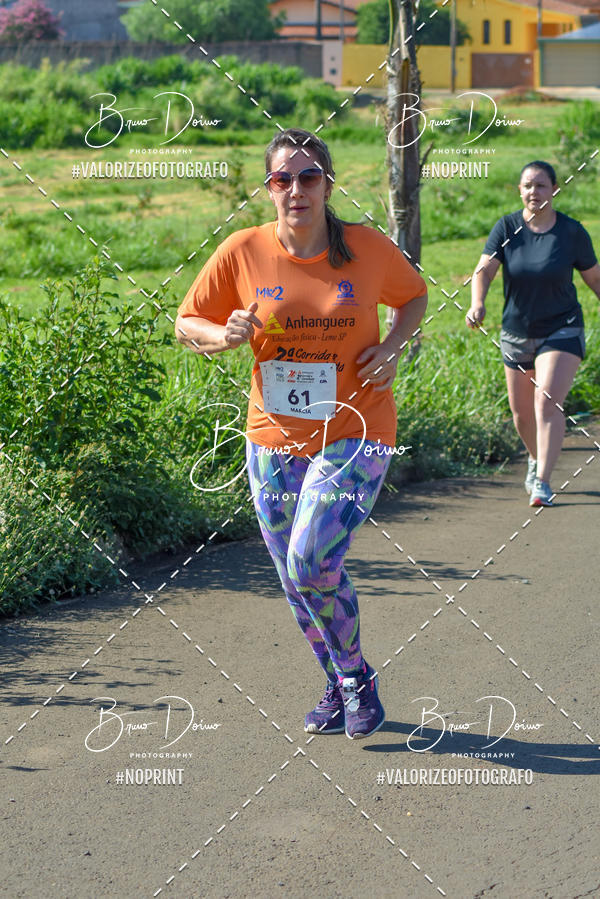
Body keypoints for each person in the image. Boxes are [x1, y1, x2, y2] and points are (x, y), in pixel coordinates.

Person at [175, 128, 428, 739]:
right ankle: (341, 680)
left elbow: (415, 296)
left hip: (357, 428)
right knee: (294, 577)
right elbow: (187, 321)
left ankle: (355, 677)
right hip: (273, 436)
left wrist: (394, 346)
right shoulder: (242, 250)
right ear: (268, 188)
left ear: (328, 185)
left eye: (309, 176)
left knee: (311, 559)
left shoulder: (366, 247)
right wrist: (223, 336)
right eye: (282, 178)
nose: (296, 189)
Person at [466, 160, 600, 506]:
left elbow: (595, 279)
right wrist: (478, 303)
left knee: (546, 401)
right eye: (528, 185)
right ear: (519, 190)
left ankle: (542, 482)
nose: (534, 192)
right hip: (517, 331)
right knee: (522, 414)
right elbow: (484, 271)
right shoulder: (507, 227)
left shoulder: (572, 232)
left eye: (541, 185)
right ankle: (535, 458)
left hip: (563, 327)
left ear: (554, 189)